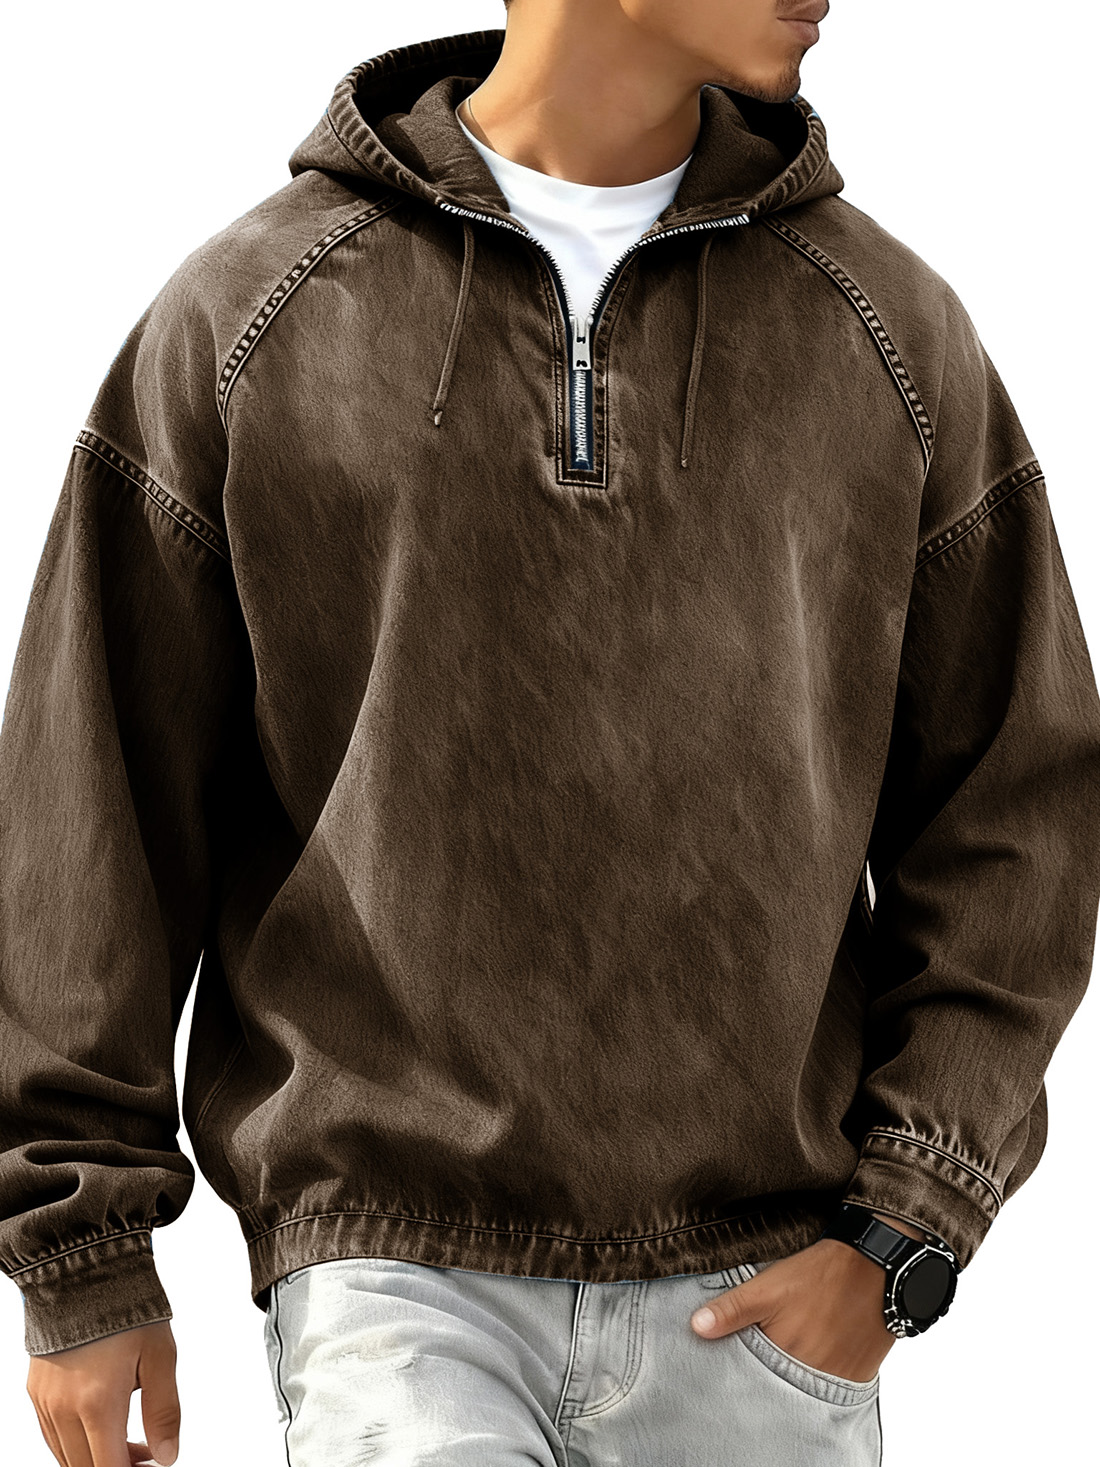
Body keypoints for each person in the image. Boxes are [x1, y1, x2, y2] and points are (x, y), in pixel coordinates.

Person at [3, 1, 1099, 1463]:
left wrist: (904, 1230)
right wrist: (80, 1256)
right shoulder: (255, 312)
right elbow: (97, 799)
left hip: (760, 1297)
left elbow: (1019, 805)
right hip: (394, 1272)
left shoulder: (889, 332)